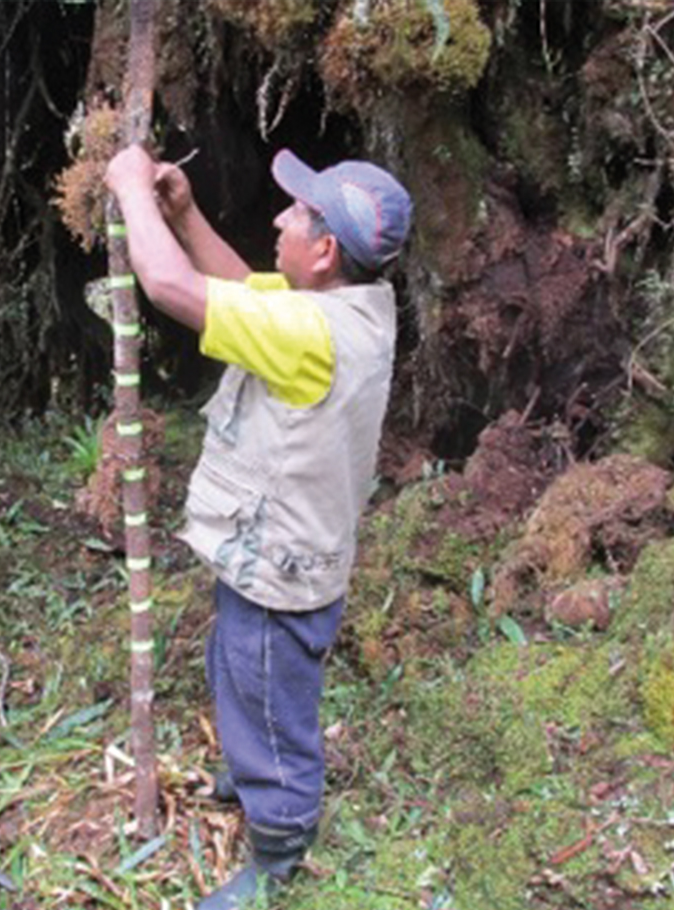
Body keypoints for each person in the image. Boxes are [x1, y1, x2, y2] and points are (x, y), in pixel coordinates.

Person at [104, 144, 411, 909]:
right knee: (237, 667)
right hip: (279, 551)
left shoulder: (309, 335)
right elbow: (240, 289)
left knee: (267, 691)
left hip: (280, 564)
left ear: (323, 250)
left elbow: (172, 287)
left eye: (296, 212)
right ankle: (246, 767)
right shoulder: (349, 308)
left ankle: (279, 843)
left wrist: (127, 188)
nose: (279, 217)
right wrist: (180, 213)